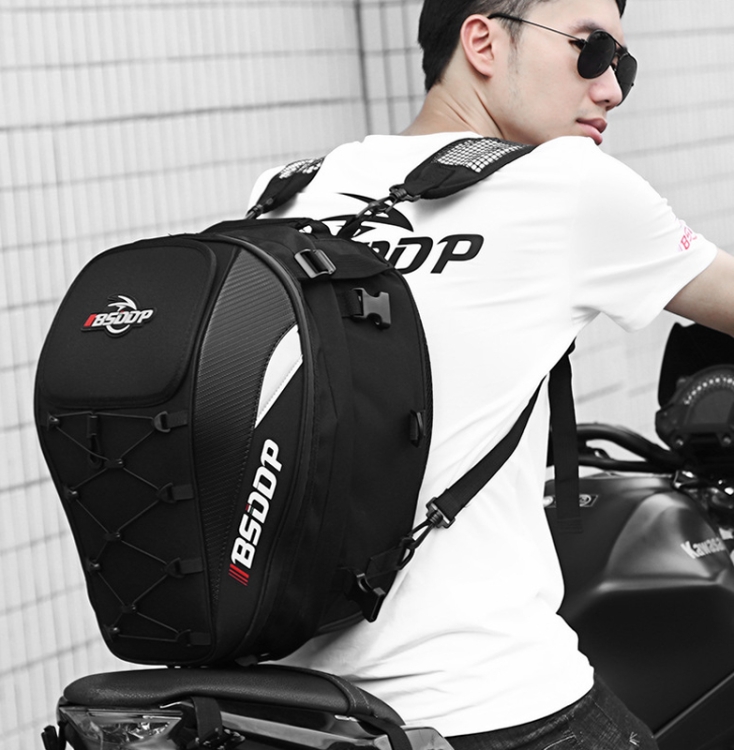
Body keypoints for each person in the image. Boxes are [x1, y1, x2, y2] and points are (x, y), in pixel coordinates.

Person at [248, 0, 734, 747]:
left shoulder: (287, 192)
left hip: (288, 708)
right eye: (591, 50)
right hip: (490, 703)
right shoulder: (566, 183)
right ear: (482, 41)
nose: (611, 88)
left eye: (623, 65)